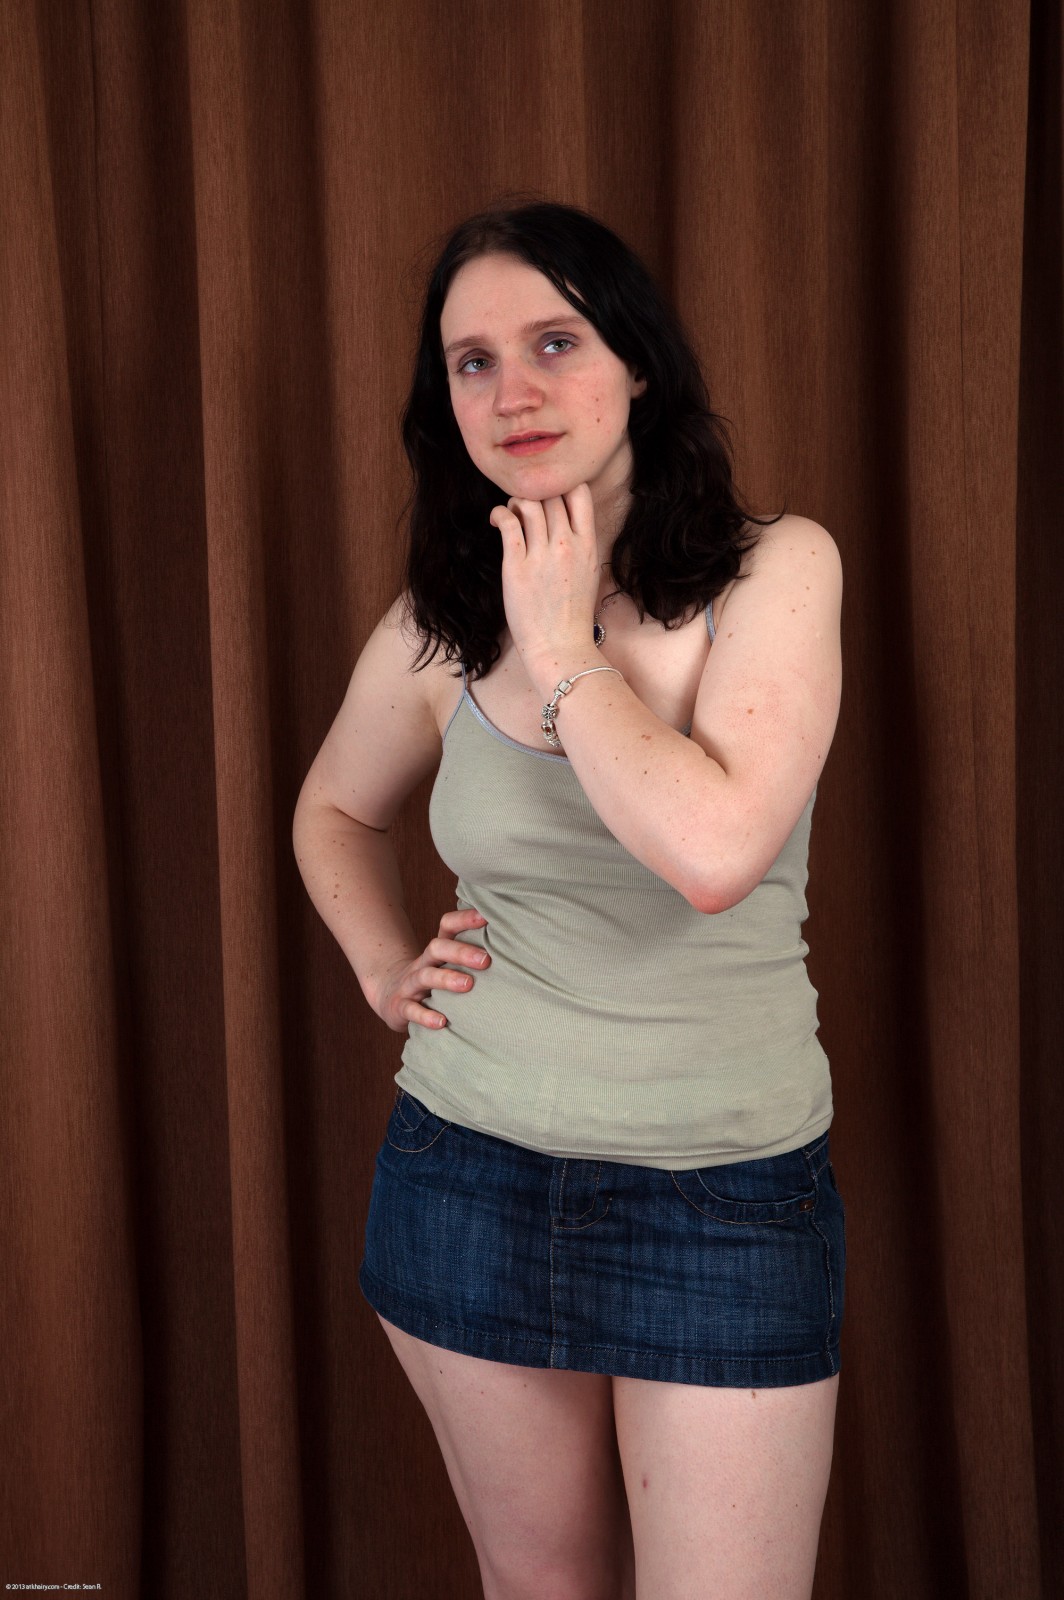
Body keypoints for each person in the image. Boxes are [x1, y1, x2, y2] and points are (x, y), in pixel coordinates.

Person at [292, 200, 845, 1600]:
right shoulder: (438, 621)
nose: (513, 391)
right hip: (468, 1173)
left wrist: (557, 649)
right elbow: (334, 809)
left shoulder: (776, 569)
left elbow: (712, 857)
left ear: (637, 363)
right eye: (472, 362)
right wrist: (383, 967)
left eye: (555, 342)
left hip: (725, 1196)